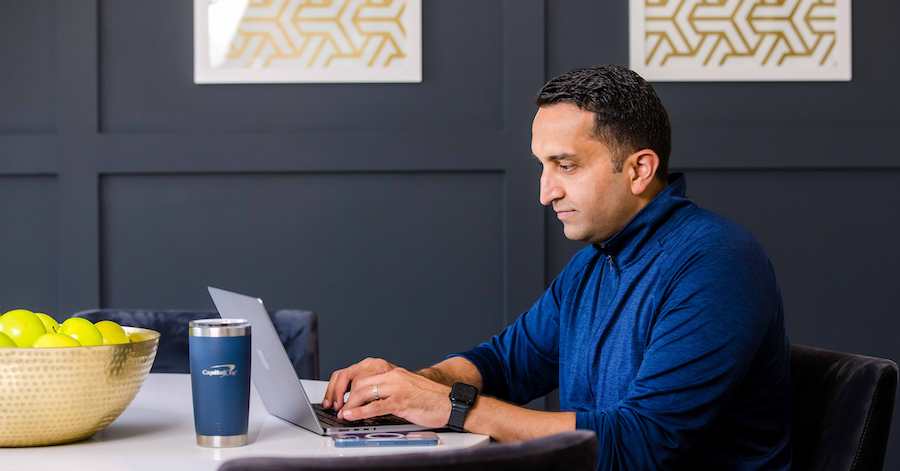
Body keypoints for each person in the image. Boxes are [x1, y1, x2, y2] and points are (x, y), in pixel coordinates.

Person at [321, 65, 792, 470]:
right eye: (542, 167)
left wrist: (450, 407)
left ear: (639, 170)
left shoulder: (717, 262)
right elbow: (504, 364)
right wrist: (406, 385)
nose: (546, 193)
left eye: (565, 166)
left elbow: (640, 446)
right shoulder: (593, 265)